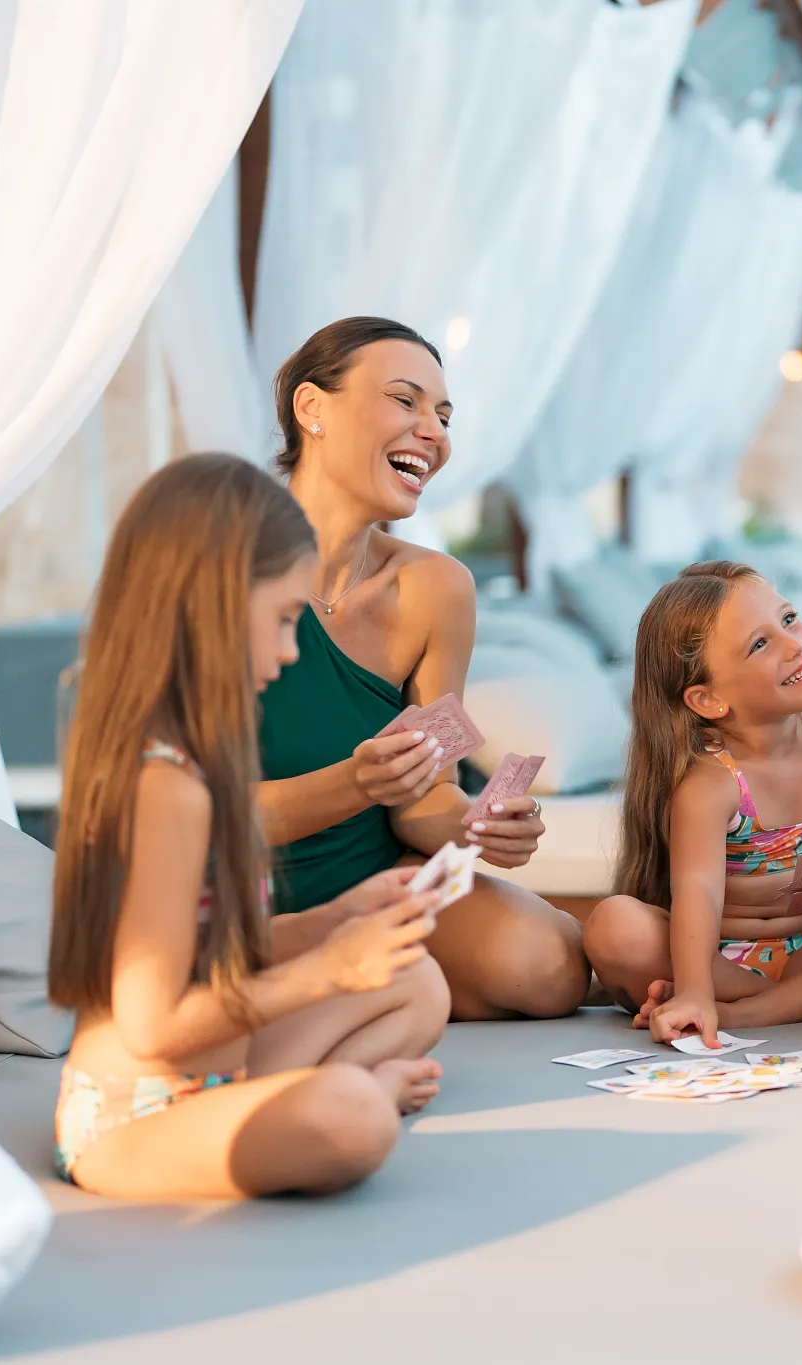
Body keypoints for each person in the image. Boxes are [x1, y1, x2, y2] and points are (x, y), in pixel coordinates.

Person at [47, 454, 449, 1200]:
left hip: (217, 1070)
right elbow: (152, 1024)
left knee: (418, 980)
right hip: (132, 1116)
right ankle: (344, 1093)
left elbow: (205, 947)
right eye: (285, 619)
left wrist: (334, 920)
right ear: (212, 606)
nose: (294, 650)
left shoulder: (197, 760)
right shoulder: (163, 786)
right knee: (355, 1117)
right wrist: (325, 971)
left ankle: (302, 1097)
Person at [255, 317, 588, 1022]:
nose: (432, 432)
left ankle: (359, 976)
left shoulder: (439, 589)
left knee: (553, 965)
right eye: (404, 401)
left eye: (442, 415)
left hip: (379, 877)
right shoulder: (220, 568)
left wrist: (476, 826)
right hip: (239, 885)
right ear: (311, 408)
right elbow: (202, 817)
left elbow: (425, 796)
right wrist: (357, 781)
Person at [584, 562, 802, 1046]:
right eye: (760, 644)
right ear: (708, 699)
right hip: (716, 963)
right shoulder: (713, 782)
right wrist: (696, 992)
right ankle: (793, 1001)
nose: (795, 645)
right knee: (616, 928)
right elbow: (699, 893)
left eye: (788, 619)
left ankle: (768, 1006)